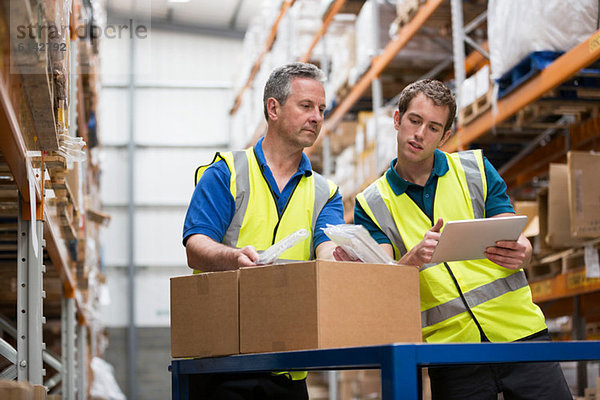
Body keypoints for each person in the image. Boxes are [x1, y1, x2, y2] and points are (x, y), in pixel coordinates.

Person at [336, 79, 572, 399]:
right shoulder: (371, 203)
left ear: (445, 136)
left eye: (433, 128)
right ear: (397, 120)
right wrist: (413, 258)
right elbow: (385, 280)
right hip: (451, 351)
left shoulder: (475, 170)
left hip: (520, 335)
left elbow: (512, 231)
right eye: (414, 121)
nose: (420, 134)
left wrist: (524, 252)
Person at [182, 62, 344, 399]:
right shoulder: (226, 173)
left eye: (321, 109)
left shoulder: (324, 191)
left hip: (288, 367)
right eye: (306, 106)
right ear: (273, 108)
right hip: (222, 363)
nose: (316, 117)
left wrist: (341, 256)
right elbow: (195, 245)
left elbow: (326, 248)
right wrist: (235, 257)